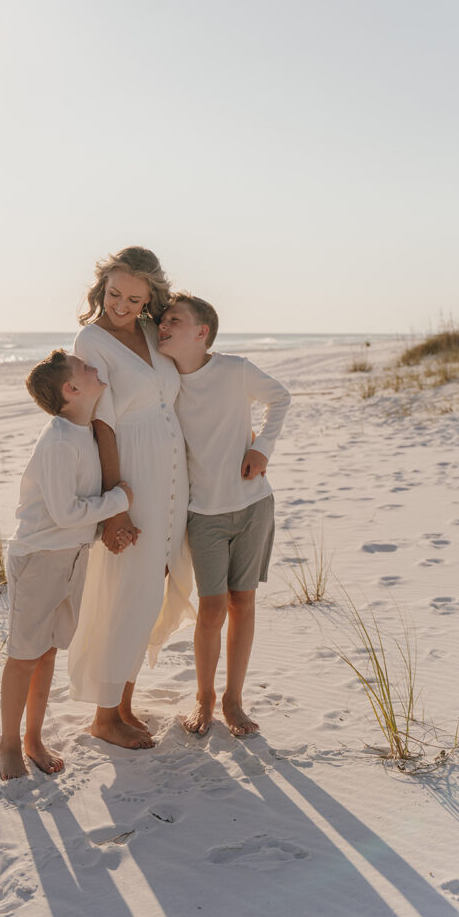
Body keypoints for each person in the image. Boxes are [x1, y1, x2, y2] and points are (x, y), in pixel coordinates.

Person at [68, 247, 194, 749]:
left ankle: (122, 704)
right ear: (102, 287)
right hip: (132, 473)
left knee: (151, 588)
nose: (120, 304)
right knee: (127, 589)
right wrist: (115, 505)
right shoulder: (90, 339)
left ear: (149, 300)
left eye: (133, 298)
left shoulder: (149, 331)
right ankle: (103, 715)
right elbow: (101, 423)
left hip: (173, 473)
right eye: (114, 293)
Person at [158, 293, 291, 736]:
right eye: (161, 320)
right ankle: (205, 696)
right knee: (211, 609)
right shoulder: (167, 382)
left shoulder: (234, 369)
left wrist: (261, 448)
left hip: (253, 505)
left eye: (173, 320)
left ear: (201, 333)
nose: (163, 325)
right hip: (204, 514)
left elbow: (280, 399)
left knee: (243, 601)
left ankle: (233, 698)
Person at [0, 349, 133, 780]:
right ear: (71, 390)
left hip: (72, 557)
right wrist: (120, 500)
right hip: (38, 560)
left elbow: (78, 518)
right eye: (86, 368)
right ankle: (7, 744)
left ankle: (33, 738)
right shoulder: (58, 440)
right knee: (23, 656)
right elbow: (65, 513)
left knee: (48, 653)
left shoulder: (83, 432)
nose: (97, 368)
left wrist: (108, 530)